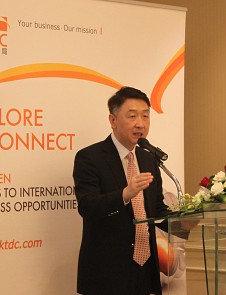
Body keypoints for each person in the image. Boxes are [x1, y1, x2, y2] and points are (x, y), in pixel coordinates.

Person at [73, 86, 170, 295]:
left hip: (145, 270)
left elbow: (157, 209)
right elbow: (88, 207)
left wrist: (188, 221)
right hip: (108, 272)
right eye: (132, 116)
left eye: (146, 116)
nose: (140, 124)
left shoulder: (148, 158)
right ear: (113, 120)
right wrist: (125, 194)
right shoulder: (90, 158)